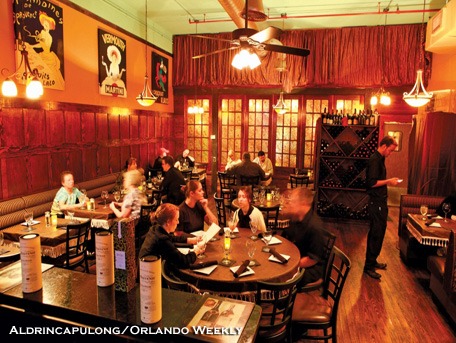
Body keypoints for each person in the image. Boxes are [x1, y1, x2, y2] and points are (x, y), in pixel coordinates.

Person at [364, 136, 400, 279]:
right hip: (376, 202)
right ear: (384, 146)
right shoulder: (374, 160)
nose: (390, 154)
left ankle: (373, 261)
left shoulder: (380, 159)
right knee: (376, 233)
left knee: (380, 231)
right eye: (390, 150)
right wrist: (389, 181)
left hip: (380, 202)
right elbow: (371, 183)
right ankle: (368, 266)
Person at [281, 187, 326, 286]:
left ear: (303, 203)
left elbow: (313, 259)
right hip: (296, 258)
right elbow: (288, 238)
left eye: (293, 201)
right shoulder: (296, 219)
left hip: (310, 268)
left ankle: (283, 300)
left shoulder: (314, 226)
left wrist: (291, 266)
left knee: (280, 279)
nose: (290, 204)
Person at [139, 203, 204, 269]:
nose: (178, 222)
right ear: (168, 222)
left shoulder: (155, 228)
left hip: (145, 269)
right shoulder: (162, 240)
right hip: (151, 274)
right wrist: (196, 251)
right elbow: (183, 261)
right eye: (176, 219)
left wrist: (190, 240)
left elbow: (171, 237)